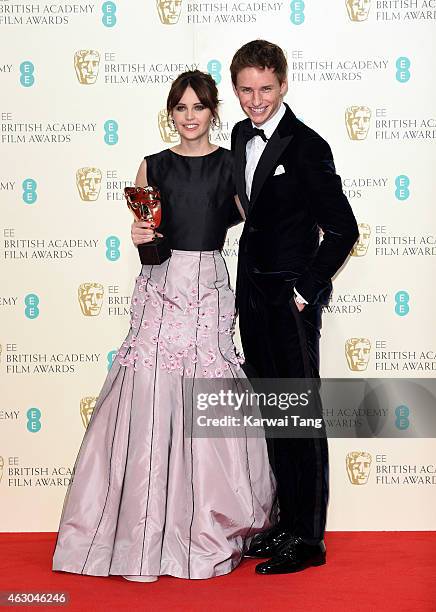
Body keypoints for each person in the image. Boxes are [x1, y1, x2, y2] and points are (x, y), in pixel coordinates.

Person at [52, 70, 275, 582]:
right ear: (170, 112)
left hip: (210, 292)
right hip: (161, 287)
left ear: (213, 110)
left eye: (198, 106)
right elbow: (150, 244)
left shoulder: (230, 165)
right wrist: (140, 236)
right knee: (149, 397)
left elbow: (259, 224)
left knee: (206, 394)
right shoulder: (150, 166)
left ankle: (205, 526)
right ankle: (142, 531)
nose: (189, 116)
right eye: (180, 107)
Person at [230, 40, 359, 574]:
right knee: (274, 416)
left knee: (300, 418)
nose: (255, 100)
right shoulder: (239, 135)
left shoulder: (307, 146)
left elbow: (343, 229)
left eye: (264, 89)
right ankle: (285, 523)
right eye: (245, 90)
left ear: (283, 85)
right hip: (252, 300)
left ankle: (309, 540)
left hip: (291, 305)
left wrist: (305, 291)